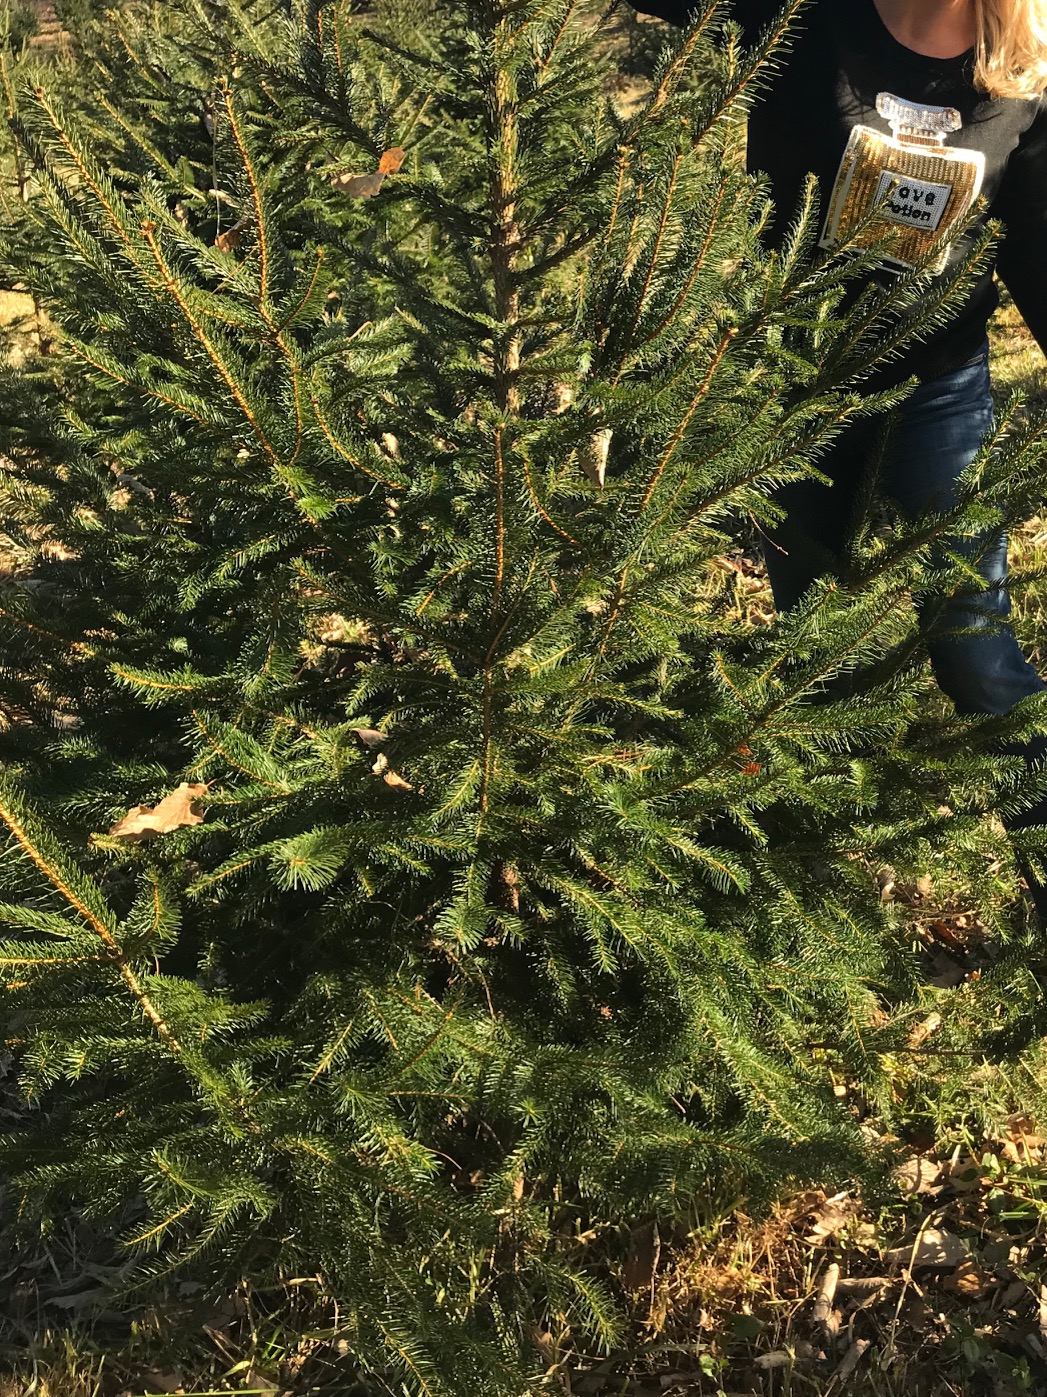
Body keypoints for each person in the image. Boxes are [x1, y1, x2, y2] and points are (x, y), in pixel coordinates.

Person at [620, 0, 1047, 917]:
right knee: (811, 638)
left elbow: (1038, 246)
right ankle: (812, 882)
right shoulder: (802, 14)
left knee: (972, 643)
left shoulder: (1021, 71)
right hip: (798, 380)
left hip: (937, 389)